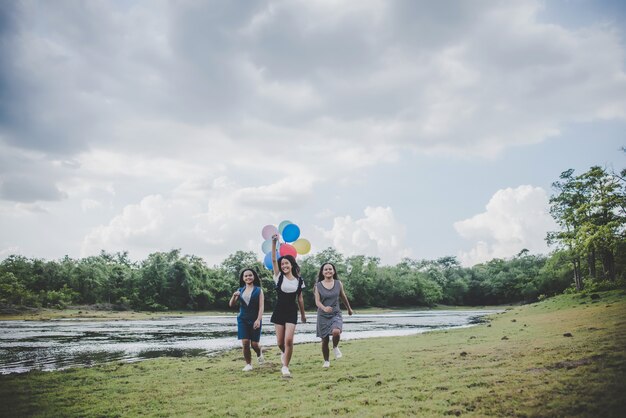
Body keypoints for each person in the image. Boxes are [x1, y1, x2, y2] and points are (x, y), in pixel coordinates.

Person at [270, 234, 306, 377]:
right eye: (282, 264)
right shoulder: (278, 277)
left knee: (289, 340)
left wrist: (303, 315)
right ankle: (284, 353)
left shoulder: (299, 280)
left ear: (292, 265)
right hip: (279, 310)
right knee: (280, 342)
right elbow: (273, 259)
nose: (284, 265)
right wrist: (274, 243)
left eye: (286, 263)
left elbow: (300, 299)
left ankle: (285, 367)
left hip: (292, 310)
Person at [314, 262, 353, 368]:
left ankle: (335, 347)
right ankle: (326, 361)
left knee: (336, 332)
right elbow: (317, 302)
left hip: (336, 313)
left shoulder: (338, 283)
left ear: (334, 271)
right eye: (325, 269)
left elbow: (343, 297)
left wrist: (349, 308)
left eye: (330, 269)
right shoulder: (318, 286)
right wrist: (324, 308)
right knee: (325, 340)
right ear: (322, 272)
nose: (328, 271)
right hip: (322, 315)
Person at [229, 268, 265, 372]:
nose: (248, 277)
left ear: (254, 277)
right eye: (246, 276)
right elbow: (231, 304)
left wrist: (258, 319)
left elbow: (261, 306)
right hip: (242, 319)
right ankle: (248, 364)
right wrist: (233, 296)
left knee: (254, 344)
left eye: (250, 275)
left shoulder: (259, 290)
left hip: (255, 319)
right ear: (243, 278)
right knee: (245, 343)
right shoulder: (240, 290)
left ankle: (259, 352)